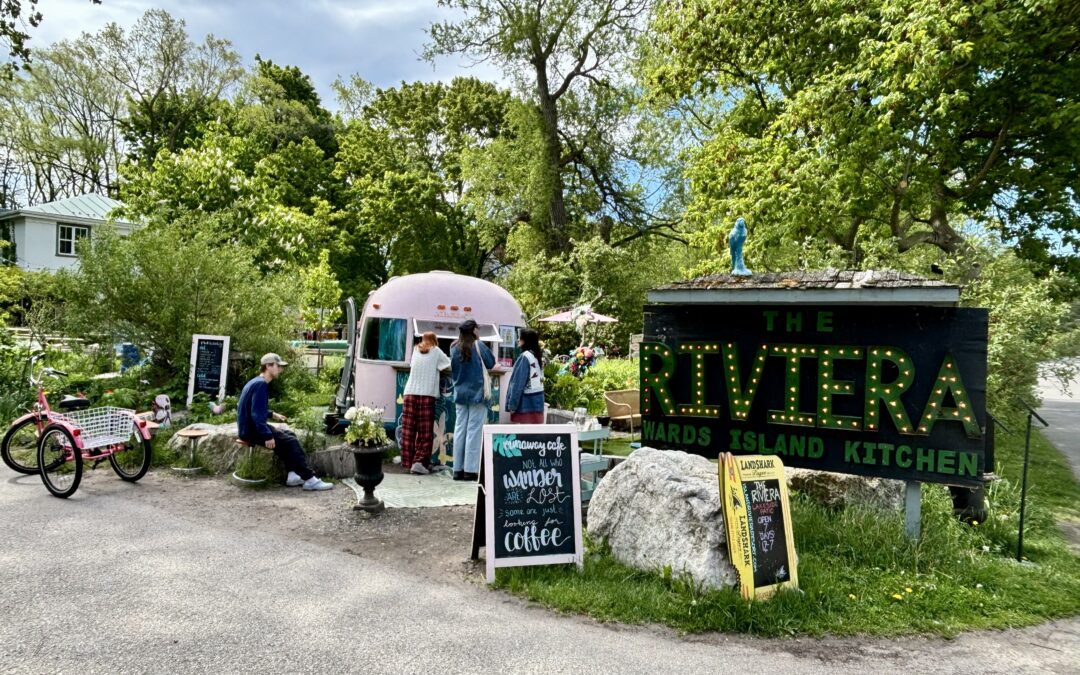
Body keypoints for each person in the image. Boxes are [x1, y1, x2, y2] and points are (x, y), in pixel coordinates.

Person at [236, 353, 333, 491]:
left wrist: (272, 414)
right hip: (251, 430)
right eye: (278, 366)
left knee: (289, 435)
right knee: (290, 442)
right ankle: (310, 479)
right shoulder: (261, 385)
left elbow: (250, 407)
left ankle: (293, 475)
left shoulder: (255, 382)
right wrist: (267, 435)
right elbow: (256, 413)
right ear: (268, 366)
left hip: (248, 428)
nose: (281, 370)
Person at [400, 331, 451, 475]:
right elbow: (448, 363)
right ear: (435, 340)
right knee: (425, 432)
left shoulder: (416, 350)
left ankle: (408, 462)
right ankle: (419, 462)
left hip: (409, 393)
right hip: (426, 395)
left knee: (409, 431)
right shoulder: (436, 351)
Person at [450, 319, 495, 481]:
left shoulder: (453, 347)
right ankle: (470, 470)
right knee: (474, 431)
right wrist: (480, 341)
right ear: (474, 330)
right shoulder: (479, 345)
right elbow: (491, 362)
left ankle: (457, 469)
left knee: (460, 429)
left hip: (460, 393)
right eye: (478, 328)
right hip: (477, 394)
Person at [505, 328, 545, 424]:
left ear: (526, 340)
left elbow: (518, 384)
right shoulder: (536, 357)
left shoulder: (524, 357)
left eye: (520, 338)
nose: (518, 340)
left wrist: (512, 405)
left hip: (525, 407)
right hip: (537, 405)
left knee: (522, 436)